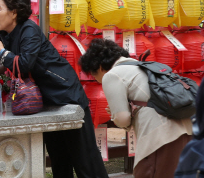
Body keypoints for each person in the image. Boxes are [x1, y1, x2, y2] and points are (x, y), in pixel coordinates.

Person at [0, 0, 108, 178]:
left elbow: (24, 63)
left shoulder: (30, 30)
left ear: (14, 12)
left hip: (66, 97)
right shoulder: (5, 34)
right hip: (46, 102)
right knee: (59, 160)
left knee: (85, 159)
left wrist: (3, 52)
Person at [80, 38, 192, 178]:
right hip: (186, 130)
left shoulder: (112, 75)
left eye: (94, 74)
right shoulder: (143, 66)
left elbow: (122, 119)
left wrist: (116, 115)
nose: (96, 80)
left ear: (100, 67)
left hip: (160, 137)